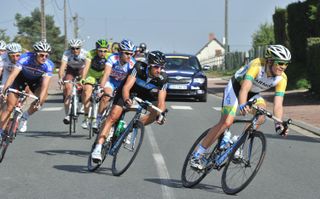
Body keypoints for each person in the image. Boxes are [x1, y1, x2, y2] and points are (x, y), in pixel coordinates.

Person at [190, 44, 292, 170]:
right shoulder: (257, 65)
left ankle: (238, 143)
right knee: (226, 122)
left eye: (286, 63)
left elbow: (278, 104)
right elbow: (244, 88)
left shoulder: (282, 78)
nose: (283, 67)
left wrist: (278, 124)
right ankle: (197, 155)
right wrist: (243, 104)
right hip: (235, 88)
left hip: (253, 94)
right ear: (270, 61)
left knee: (261, 116)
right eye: (280, 62)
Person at [91, 50, 168, 162]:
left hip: (147, 94)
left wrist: (161, 114)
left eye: (161, 67)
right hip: (129, 91)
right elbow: (126, 87)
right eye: (156, 67)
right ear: (149, 65)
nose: (159, 70)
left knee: (157, 112)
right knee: (113, 116)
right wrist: (127, 99)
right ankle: (98, 148)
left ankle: (130, 128)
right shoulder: (139, 67)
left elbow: (161, 102)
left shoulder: (163, 78)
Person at [0, 40, 54, 135]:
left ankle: (25, 117)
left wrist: (39, 100)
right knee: (9, 107)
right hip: (20, 78)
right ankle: (0, 132)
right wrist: (4, 91)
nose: (44, 58)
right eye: (41, 55)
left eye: (47, 55)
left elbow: (45, 86)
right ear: (35, 54)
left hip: (36, 81)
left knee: (42, 99)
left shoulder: (49, 65)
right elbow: (12, 76)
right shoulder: (25, 58)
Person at [97, 39, 136, 127]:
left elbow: (132, 80)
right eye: (126, 53)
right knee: (106, 96)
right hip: (111, 81)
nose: (129, 56)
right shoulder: (113, 58)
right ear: (120, 52)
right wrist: (101, 87)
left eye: (131, 54)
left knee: (120, 106)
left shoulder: (132, 63)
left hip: (122, 84)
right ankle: (98, 118)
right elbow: (106, 74)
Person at [80, 39, 112, 129]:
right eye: (100, 51)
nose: (103, 53)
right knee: (87, 92)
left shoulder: (109, 56)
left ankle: (97, 118)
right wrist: (83, 78)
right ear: (96, 49)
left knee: (106, 94)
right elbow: (86, 67)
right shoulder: (91, 54)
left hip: (102, 76)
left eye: (105, 51)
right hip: (92, 75)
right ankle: (86, 118)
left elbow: (109, 71)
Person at [58, 38, 88, 124]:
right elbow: (62, 67)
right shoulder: (66, 53)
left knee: (84, 86)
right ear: (70, 48)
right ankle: (67, 114)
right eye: (73, 48)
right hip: (71, 71)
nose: (75, 50)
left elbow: (87, 67)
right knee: (67, 89)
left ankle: (83, 105)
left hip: (81, 70)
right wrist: (60, 78)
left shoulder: (85, 53)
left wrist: (83, 78)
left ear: (80, 48)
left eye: (77, 48)